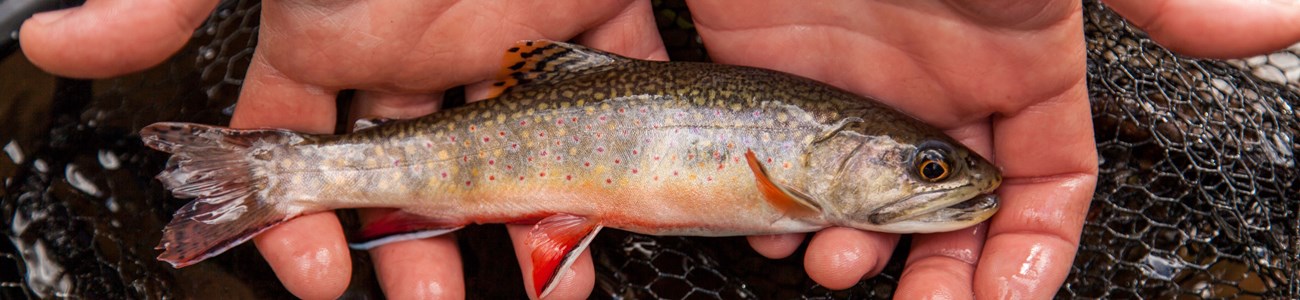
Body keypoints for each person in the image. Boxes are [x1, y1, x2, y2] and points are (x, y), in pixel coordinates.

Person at [19, 0, 1300, 299]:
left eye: (927, 173)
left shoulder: (798, 136)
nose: (948, 181)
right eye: (922, 168)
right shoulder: (785, 147)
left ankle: (293, 175)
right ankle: (287, 175)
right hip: (552, 137)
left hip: (566, 143)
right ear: (839, 149)